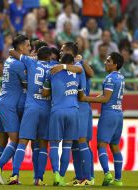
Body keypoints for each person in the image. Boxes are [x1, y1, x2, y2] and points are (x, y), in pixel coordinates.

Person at [0, 35, 30, 185]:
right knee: (15, 139)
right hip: (9, 105)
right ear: (20, 47)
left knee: (2, 141)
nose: (30, 48)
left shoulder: (9, 61)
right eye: (27, 45)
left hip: (0, 101)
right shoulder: (18, 64)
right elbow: (28, 84)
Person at [8, 46, 52, 186]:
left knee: (23, 142)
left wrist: (30, 57)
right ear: (49, 57)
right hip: (46, 108)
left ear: (38, 55)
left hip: (31, 107)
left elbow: (11, 51)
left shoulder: (31, 61)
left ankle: (14, 175)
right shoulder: (54, 66)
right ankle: (39, 179)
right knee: (43, 144)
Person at [79, 52, 125, 186]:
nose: (105, 62)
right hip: (119, 113)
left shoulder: (110, 78)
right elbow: (106, 95)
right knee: (115, 146)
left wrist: (85, 98)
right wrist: (93, 97)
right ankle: (118, 180)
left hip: (109, 114)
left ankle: (107, 174)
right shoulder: (121, 77)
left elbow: (106, 98)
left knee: (101, 146)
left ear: (115, 64)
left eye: (108, 61)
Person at [42, 53, 85, 186]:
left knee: (54, 145)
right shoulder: (77, 73)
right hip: (73, 111)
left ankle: (56, 174)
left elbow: (44, 92)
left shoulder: (52, 71)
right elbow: (81, 94)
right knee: (67, 146)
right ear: (72, 62)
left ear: (61, 61)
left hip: (57, 111)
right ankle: (61, 177)